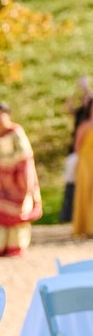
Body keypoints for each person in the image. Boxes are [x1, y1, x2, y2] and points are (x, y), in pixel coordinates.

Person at [0, 103, 43, 257]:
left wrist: (4, 163)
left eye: (1, 115)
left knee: (17, 214)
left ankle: (15, 246)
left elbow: (24, 153)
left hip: (16, 181)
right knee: (1, 216)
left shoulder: (15, 132)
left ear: (8, 115)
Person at [60, 76, 92, 223]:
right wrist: (77, 90)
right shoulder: (81, 117)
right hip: (83, 156)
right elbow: (68, 105)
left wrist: (86, 88)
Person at [71, 98, 93, 239]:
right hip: (86, 163)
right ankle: (87, 227)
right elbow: (77, 146)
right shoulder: (85, 125)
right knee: (87, 192)